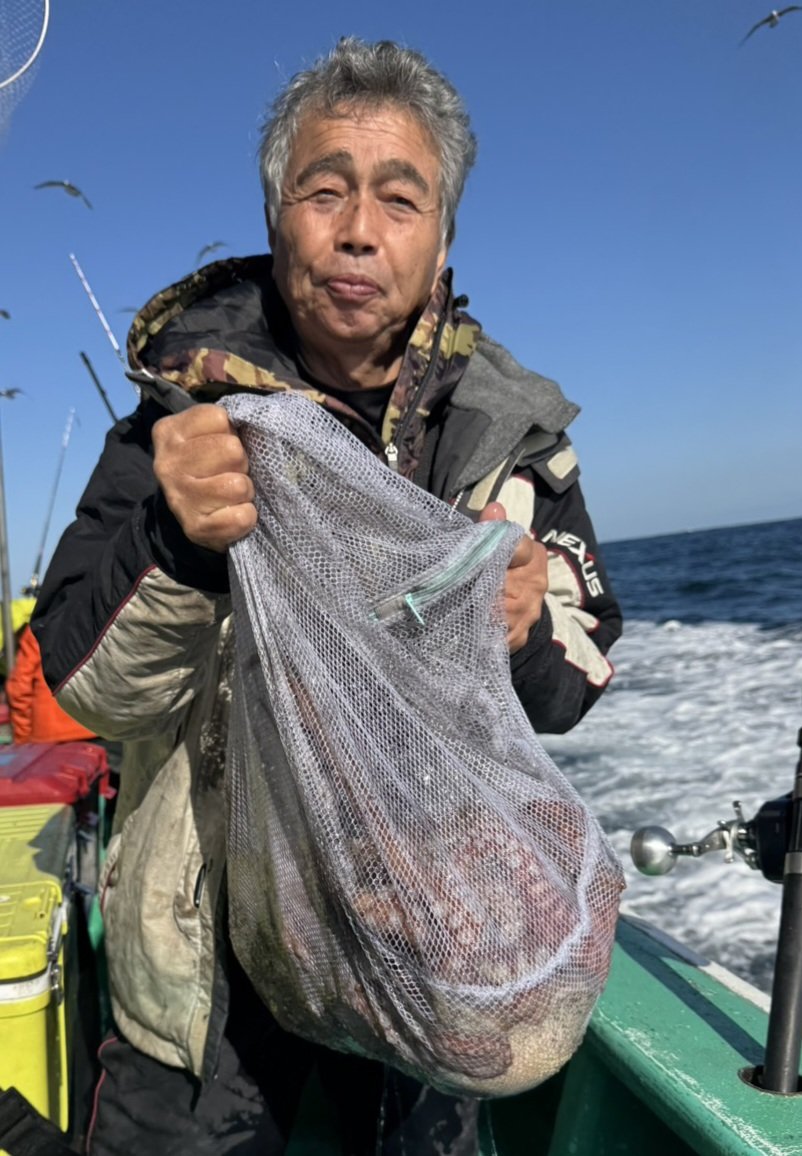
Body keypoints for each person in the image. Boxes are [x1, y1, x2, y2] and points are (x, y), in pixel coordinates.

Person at [32, 37, 622, 1156]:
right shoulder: (177, 423)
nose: (358, 230)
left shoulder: (507, 440)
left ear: (443, 235)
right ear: (276, 218)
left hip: (432, 967)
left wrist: (521, 630)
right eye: (324, 190)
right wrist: (176, 540)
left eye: (400, 198)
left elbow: (576, 683)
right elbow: (84, 688)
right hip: (207, 990)